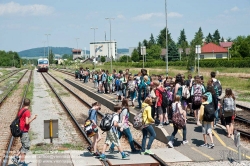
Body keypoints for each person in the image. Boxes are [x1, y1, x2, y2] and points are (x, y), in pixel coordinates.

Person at [12, 98, 37, 166]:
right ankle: (21, 161)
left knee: (24, 146)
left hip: (21, 130)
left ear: (23, 103)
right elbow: (26, 122)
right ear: (29, 104)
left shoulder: (21, 110)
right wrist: (33, 118)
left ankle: (16, 157)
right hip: (24, 131)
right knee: (26, 146)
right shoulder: (27, 111)